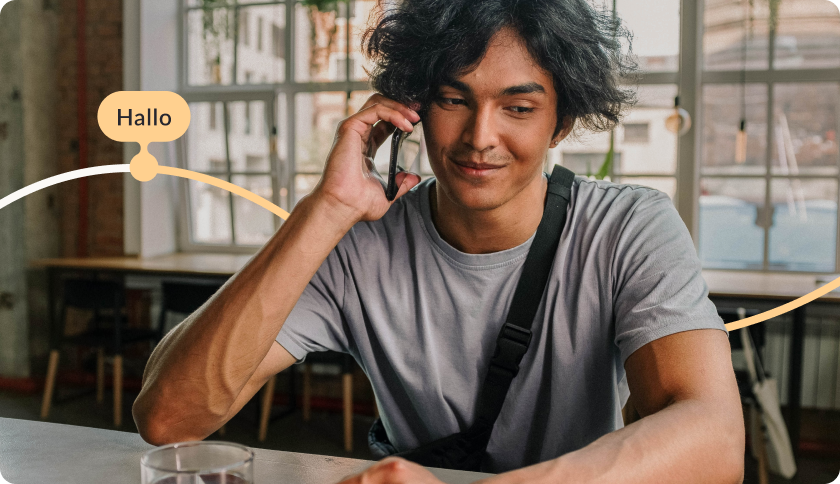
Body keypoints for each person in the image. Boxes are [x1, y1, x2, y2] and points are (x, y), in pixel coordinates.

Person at [133, 0, 745, 481]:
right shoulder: (358, 244)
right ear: (412, 109)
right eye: (454, 99)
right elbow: (169, 419)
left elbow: (714, 440)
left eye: (518, 107)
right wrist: (327, 209)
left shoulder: (627, 229)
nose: (480, 136)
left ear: (561, 121)